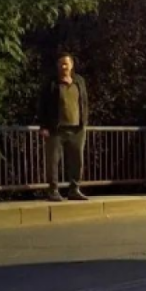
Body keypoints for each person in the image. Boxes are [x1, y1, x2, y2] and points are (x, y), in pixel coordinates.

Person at [37, 52, 90, 202]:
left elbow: (84, 102)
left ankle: (74, 189)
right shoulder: (51, 83)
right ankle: (53, 190)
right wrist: (44, 126)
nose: (64, 66)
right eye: (61, 64)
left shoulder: (79, 81)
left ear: (72, 65)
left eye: (66, 63)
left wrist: (84, 120)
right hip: (56, 129)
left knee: (77, 160)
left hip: (77, 128)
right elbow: (43, 106)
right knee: (53, 160)